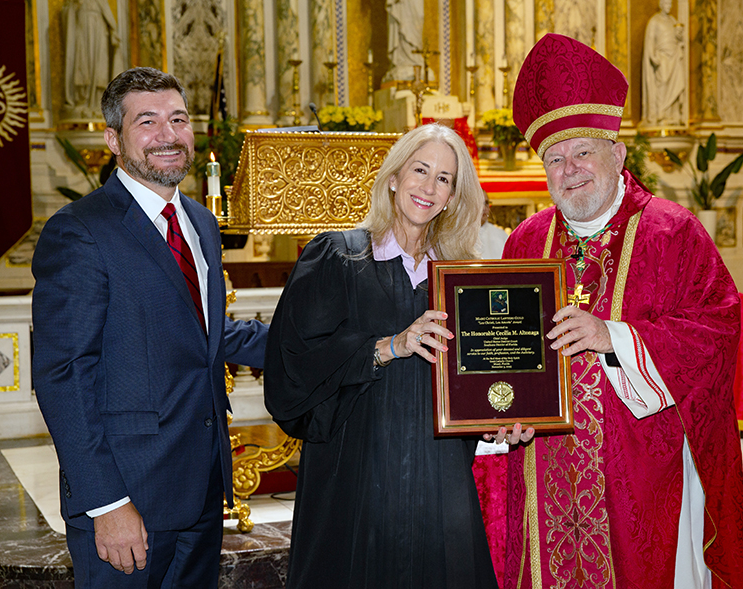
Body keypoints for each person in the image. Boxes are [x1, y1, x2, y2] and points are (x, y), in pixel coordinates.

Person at [487, 34, 743, 588]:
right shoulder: (526, 242)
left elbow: (718, 329)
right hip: (543, 470)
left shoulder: (672, 232)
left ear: (618, 152)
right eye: (554, 159)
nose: (570, 169)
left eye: (583, 150)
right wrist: (497, 410)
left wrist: (615, 338)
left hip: (645, 474)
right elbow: (501, 354)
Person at [32, 67, 269, 588]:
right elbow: (63, 375)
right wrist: (107, 503)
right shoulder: (80, 231)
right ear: (113, 139)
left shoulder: (200, 223)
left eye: (179, 119)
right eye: (148, 121)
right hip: (128, 501)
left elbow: (205, 334)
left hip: (203, 492)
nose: (169, 134)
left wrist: (346, 339)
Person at [264, 124, 506, 588]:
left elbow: (473, 383)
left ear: (453, 198)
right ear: (393, 177)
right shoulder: (337, 257)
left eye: (444, 179)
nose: (428, 187)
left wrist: (498, 415)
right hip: (354, 481)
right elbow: (291, 368)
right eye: (420, 170)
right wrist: (387, 347)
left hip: (439, 486)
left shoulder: (460, 280)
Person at [63, 0, 122, 118]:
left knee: (99, 66)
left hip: (99, 31)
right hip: (82, 30)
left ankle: (98, 103)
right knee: (83, 64)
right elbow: (67, 13)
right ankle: (82, 101)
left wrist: (113, 31)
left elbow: (109, 18)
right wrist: (74, 7)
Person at [642, 0, 686, 126]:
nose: (669, 7)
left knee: (676, 84)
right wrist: (652, 55)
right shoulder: (654, 21)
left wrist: (679, 39)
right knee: (663, 82)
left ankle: (673, 114)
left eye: (670, 4)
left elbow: (678, 39)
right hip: (662, 57)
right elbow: (650, 40)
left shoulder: (673, 20)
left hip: (674, 57)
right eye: (666, 4)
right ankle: (660, 113)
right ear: (661, 5)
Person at [478, 191, 508, 259]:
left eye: (486, 203)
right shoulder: (458, 236)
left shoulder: (501, 236)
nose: (483, 208)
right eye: (478, 203)